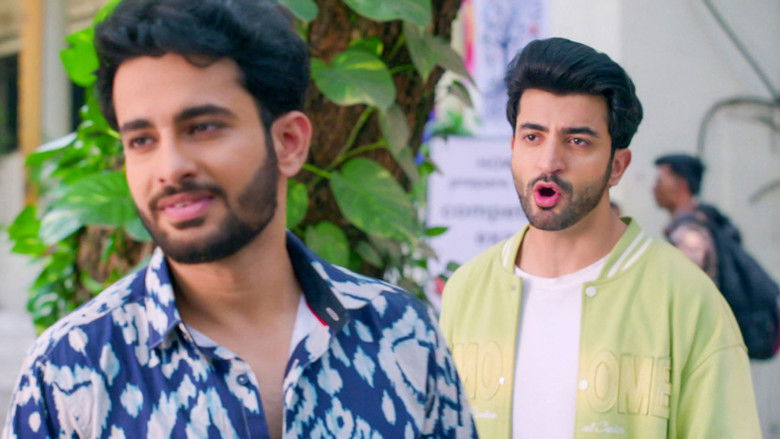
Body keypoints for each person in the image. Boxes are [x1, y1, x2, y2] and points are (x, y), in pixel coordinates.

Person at [3, 1, 475, 438]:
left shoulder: (401, 335)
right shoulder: (72, 368)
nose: (170, 168)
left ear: (289, 142)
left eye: (203, 127)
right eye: (142, 140)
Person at [439, 37, 761, 438]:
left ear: (617, 166)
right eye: (532, 136)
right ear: (512, 147)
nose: (549, 162)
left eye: (578, 141)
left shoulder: (686, 299)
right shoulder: (467, 291)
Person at [653, 154, 717, 280]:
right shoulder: (696, 224)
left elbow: (687, 284)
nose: (654, 188)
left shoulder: (689, 235)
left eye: (659, 182)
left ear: (681, 185)